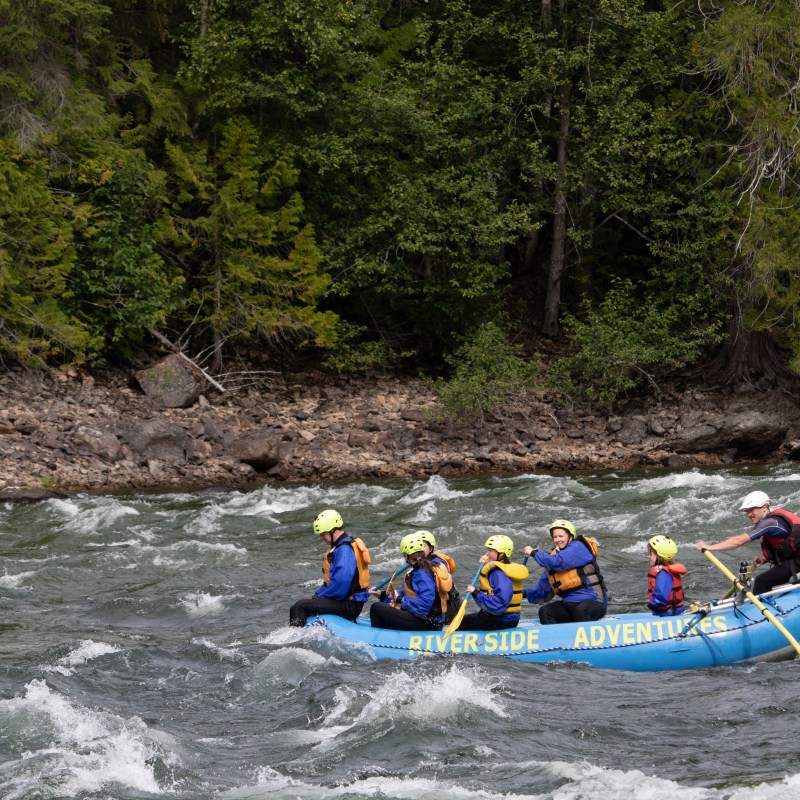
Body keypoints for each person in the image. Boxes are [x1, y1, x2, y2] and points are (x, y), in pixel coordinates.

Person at [695, 490, 800, 594]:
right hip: (795, 559)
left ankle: (759, 609)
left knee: (761, 581)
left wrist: (710, 547)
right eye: (747, 511)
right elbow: (787, 546)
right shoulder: (771, 521)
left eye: (751, 510)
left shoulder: (770, 523)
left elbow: (738, 541)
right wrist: (766, 559)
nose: (749, 514)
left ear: (764, 507)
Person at [289, 509, 371, 627]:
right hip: (344, 601)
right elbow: (331, 584)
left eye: (323, 534)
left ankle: (294, 639)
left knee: (300, 607)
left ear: (333, 531)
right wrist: (317, 596)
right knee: (297, 606)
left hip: (349, 605)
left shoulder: (344, 550)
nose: (321, 538)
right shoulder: (339, 547)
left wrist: (319, 598)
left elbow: (340, 585)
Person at [522, 519, 608, 624]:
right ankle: (554, 640)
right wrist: (522, 593)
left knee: (580, 610)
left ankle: (586, 639)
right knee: (545, 611)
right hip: (570, 605)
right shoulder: (552, 559)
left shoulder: (578, 548)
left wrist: (533, 552)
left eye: (561, 536)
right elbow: (542, 591)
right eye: (555, 537)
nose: (558, 540)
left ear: (570, 536)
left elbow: (557, 562)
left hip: (595, 603)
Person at [370, 532, 453, 631]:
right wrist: (382, 595)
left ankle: (379, 640)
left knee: (376, 608)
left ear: (407, 556)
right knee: (383, 607)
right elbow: (407, 595)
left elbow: (424, 605)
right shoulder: (419, 569)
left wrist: (400, 599)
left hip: (427, 623)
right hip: (423, 618)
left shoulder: (422, 573)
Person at [458, 534, 529, 631]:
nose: (487, 554)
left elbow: (499, 604)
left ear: (502, 554)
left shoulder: (499, 573)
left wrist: (475, 593)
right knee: (463, 620)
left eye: (491, 551)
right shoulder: (506, 568)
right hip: (509, 618)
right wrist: (486, 565)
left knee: (459, 625)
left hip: (501, 620)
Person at [646, 534, 686, 616]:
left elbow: (662, 596)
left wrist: (653, 605)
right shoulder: (665, 570)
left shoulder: (663, 573)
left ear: (659, 556)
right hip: (670, 611)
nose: (648, 557)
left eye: (651, 554)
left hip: (669, 613)